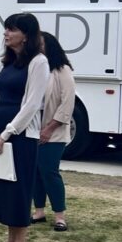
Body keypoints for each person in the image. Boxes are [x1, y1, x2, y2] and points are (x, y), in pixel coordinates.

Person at [0, 13, 50, 242]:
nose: (6, 34)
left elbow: (33, 104)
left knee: (20, 189)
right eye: (6, 29)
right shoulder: (8, 62)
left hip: (21, 136)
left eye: (11, 29)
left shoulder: (39, 62)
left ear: (26, 34)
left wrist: (8, 131)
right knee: (4, 188)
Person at [32, 32, 75, 231]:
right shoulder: (34, 67)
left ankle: (60, 216)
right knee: (35, 173)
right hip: (32, 128)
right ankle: (38, 211)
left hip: (54, 132)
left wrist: (49, 129)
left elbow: (67, 103)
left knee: (49, 172)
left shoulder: (62, 70)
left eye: (40, 44)